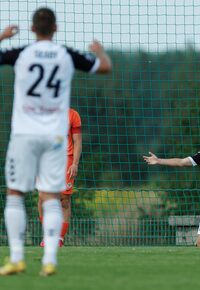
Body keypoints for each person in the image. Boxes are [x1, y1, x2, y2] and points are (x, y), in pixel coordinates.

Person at [0, 7, 111, 276]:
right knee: (52, 198)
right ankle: (50, 258)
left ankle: (16, 258)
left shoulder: (22, 53)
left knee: (15, 194)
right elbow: (105, 67)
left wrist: (2, 37)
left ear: (32, 28)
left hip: (25, 134)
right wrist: (98, 50)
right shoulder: (65, 54)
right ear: (56, 28)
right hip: (54, 138)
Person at [38, 108, 83, 247]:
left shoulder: (73, 114)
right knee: (43, 197)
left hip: (66, 160)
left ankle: (60, 238)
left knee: (64, 200)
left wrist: (75, 163)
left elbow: (77, 141)